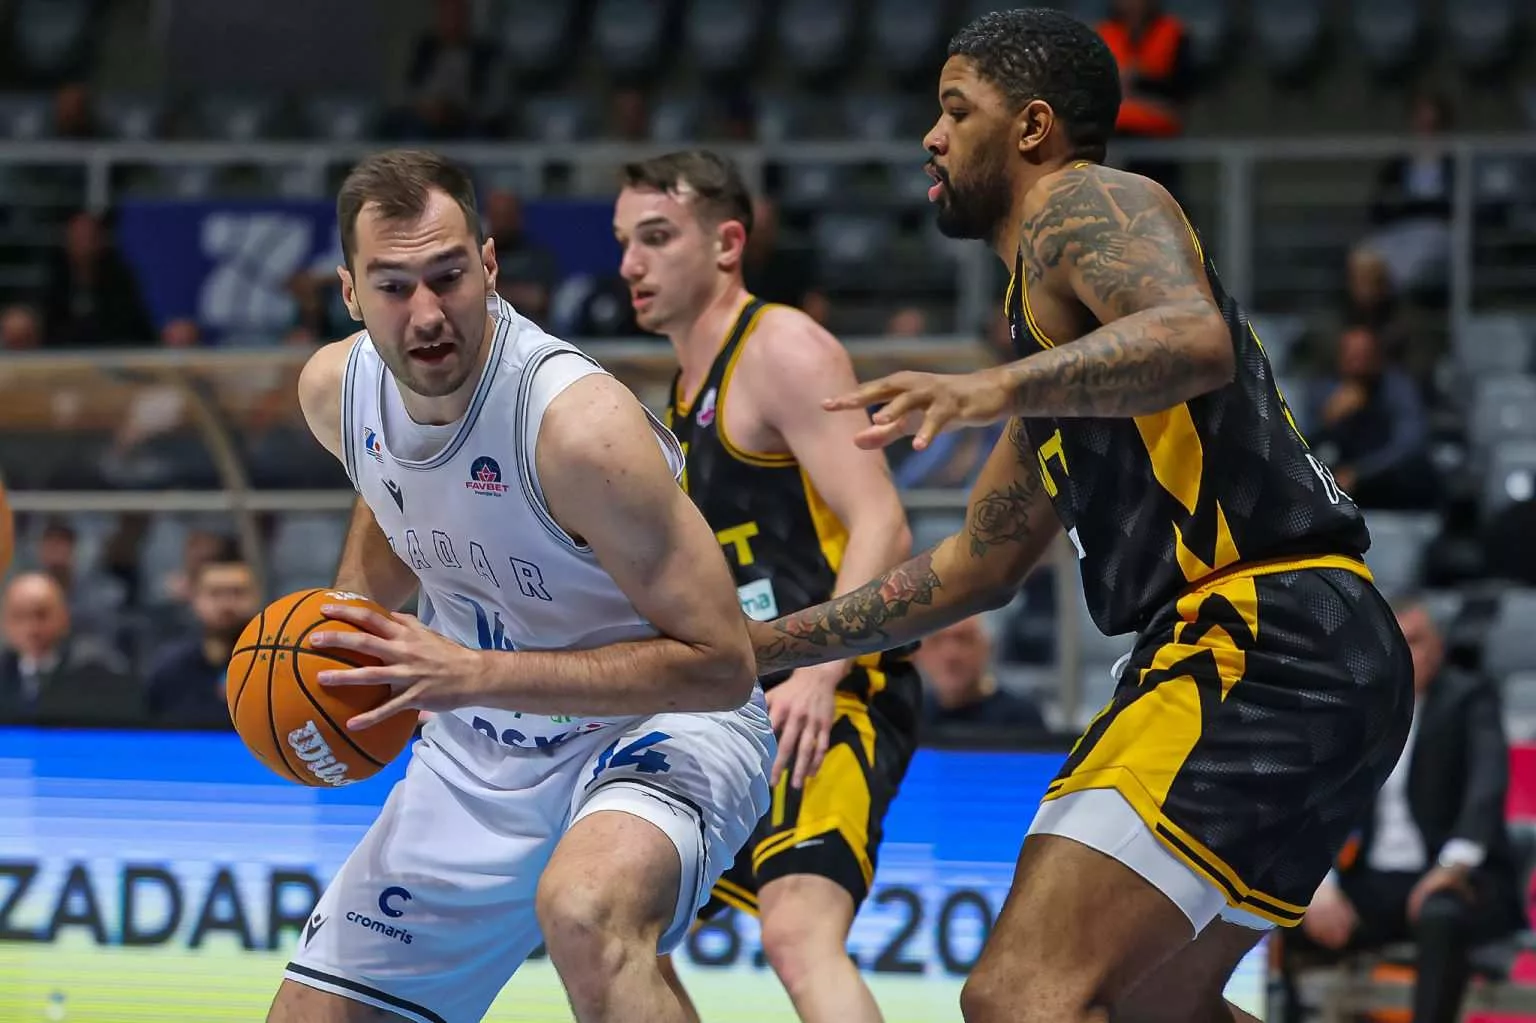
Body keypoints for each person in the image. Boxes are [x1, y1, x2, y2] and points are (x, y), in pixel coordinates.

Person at [741, 10, 1416, 1023]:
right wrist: (766, 646)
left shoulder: (1085, 200)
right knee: (1154, 1010)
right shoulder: (1062, 350)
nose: (931, 136)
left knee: (1018, 995)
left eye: (956, 109)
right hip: (1304, 645)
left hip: (1262, 637)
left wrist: (990, 387)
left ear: (1032, 127)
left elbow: (1192, 338)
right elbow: (974, 567)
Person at [266, 149, 775, 1023]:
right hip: (478, 749)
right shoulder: (335, 391)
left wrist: (471, 674)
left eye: (448, 276)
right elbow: (396, 490)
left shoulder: (576, 427)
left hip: (654, 727)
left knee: (585, 911)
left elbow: (723, 665)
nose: (428, 313)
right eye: (393, 287)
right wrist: (351, 622)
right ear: (349, 293)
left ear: (490, 266)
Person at [612, 150, 919, 1023]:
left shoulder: (782, 346)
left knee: (795, 931)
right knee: (612, 918)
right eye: (624, 241)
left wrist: (822, 671)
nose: (630, 263)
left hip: (836, 687)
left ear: (727, 243)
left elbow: (883, 522)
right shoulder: (681, 393)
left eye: (656, 237)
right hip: (740, 701)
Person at [1285, 596, 1525, 1023]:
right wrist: (1320, 884)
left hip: (1462, 877)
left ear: (1439, 647)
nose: (1406, 653)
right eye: (1395, 642)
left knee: (1441, 915)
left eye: (1415, 641)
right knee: (1280, 914)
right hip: (1380, 880)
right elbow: (1322, 801)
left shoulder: (1469, 698)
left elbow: (1487, 789)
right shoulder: (1361, 708)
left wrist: (1452, 866)